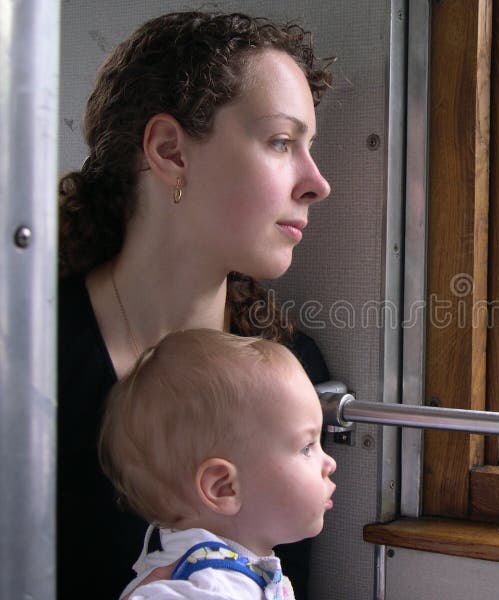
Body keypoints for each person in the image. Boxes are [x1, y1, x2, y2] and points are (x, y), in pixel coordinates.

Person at [57, 11, 333, 599]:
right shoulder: (27, 358)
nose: (317, 182)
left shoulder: (291, 374)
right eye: (282, 142)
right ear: (169, 151)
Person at [98, 329, 337, 600]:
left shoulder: (237, 575)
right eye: (306, 447)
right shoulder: (204, 588)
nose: (329, 463)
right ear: (223, 487)